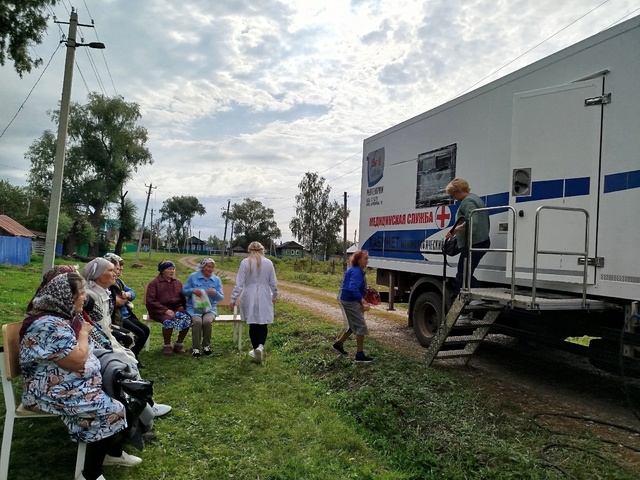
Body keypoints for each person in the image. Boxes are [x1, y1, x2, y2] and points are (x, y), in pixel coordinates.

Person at [20, 271, 140, 480]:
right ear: (66, 296)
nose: (85, 298)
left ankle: (111, 453)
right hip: (47, 390)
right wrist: (83, 335)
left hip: (65, 382)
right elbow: (76, 360)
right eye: (82, 293)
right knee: (114, 409)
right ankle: (90, 474)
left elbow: (76, 355)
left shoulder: (60, 317)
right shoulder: (48, 324)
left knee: (124, 393)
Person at [82, 258, 172, 419]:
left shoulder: (103, 292)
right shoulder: (90, 297)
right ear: (97, 275)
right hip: (95, 345)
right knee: (127, 361)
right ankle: (144, 406)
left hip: (105, 338)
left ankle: (143, 403)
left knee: (129, 357)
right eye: (109, 270)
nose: (114, 273)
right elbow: (93, 328)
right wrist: (111, 346)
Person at [230, 241, 278, 364]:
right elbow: (273, 283)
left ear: (249, 250)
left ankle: (255, 348)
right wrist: (274, 295)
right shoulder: (269, 263)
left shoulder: (245, 262)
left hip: (249, 294)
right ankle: (260, 347)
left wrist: (233, 298)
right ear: (262, 250)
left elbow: (239, 283)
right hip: (264, 294)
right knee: (262, 323)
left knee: (252, 323)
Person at [445, 177, 491, 298]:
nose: (453, 198)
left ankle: (463, 297)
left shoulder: (468, 202)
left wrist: (455, 229)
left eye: (452, 195)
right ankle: (471, 294)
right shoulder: (475, 198)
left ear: (458, 191)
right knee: (465, 272)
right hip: (480, 241)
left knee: (463, 273)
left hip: (475, 243)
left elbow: (472, 222)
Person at [104, 253, 150, 363]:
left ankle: (134, 355)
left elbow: (132, 292)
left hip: (127, 314)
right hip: (118, 318)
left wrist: (127, 295)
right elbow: (117, 303)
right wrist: (123, 300)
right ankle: (130, 358)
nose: (120, 271)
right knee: (139, 333)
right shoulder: (108, 283)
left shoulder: (118, 282)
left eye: (121, 269)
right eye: (117, 269)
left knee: (146, 330)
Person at [333, 249, 374, 362]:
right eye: (365, 259)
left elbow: (354, 285)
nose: (367, 261)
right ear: (358, 260)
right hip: (350, 301)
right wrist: (362, 301)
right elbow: (352, 287)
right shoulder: (356, 272)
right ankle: (359, 355)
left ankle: (339, 343)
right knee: (361, 326)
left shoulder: (356, 270)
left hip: (348, 299)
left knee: (353, 323)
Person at [145, 260, 191, 356]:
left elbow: (182, 298)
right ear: (162, 271)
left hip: (175, 308)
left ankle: (179, 343)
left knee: (187, 318)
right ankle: (167, 345)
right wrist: (165, 310)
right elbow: (151, 301)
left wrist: (187, 309)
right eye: (169, 269)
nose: (172, 271)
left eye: (173, 269)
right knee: (168, 321)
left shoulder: (177, 282)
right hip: (158, 311)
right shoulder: (154, 283)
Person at [182, 257, 224, 357]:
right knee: (197, 322)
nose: (210, 269)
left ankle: (206, 346)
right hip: (194, 308)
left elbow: (220, 297)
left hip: (209, 309)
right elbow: (184, 291)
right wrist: (192, 290)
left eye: (212, 267)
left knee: (207, 321)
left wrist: (215, 293)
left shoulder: (216, 280)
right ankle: (195, 348)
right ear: (202, 267)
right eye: (208, 266)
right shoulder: (193, 277)